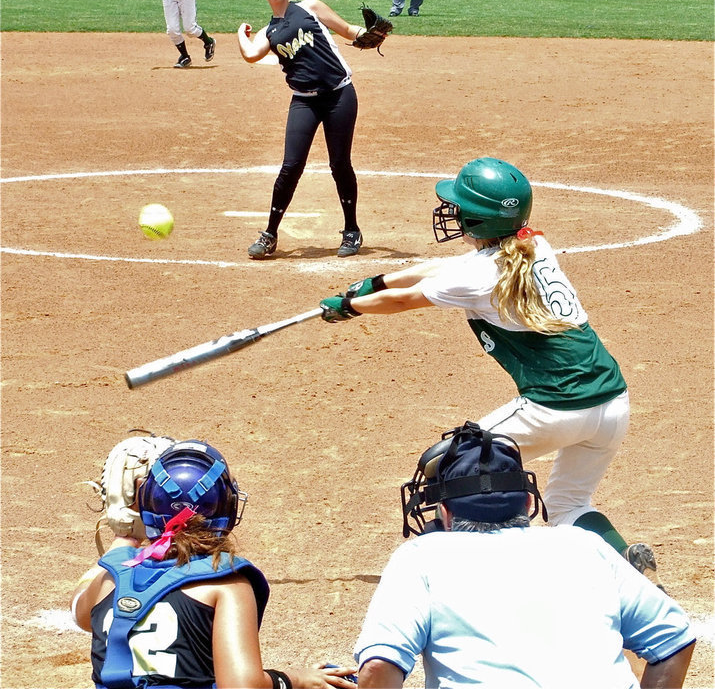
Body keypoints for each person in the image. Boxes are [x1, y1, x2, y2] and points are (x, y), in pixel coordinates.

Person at [320, 157, 665, 587]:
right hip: (612, 403)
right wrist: (379, 281)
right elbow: (440, 271)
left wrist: (348, 307)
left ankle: (458, 568)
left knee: (445, 465)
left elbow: (408, 301)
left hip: (555, 406)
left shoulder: (478, 277)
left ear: (475, 217)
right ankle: (627, 565)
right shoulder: (532, 245)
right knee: (569, 502)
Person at [354, 421, 696, 688]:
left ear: (445, 512)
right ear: (530, 503)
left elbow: (379, 668)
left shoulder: (421, 557)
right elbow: (675, 641)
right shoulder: (585, 545)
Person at [70, 439, 356, 689]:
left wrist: (125, 532)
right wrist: (295, 680)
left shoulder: (112, 578)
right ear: (227, 508)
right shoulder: (225, 583)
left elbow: (80, 612)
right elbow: (242, 686)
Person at [237, 0, 367, 260]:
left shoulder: (310, 8)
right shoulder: (269, 32)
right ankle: (270, 234)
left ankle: (352, 230)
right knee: (291, 166)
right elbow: (250, 54)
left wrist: (369, 36)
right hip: (304, 101)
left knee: (339, 164)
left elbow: (347, 29)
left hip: (339, 95)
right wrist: (241, 34)